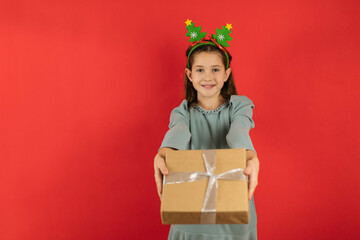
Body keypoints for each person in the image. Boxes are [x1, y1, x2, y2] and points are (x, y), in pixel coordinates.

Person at [154, 21, 260, 240]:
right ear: (190, 75)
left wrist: (251, 158)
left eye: (215, 69)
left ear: (226, 74)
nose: (208, 77)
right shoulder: (182, 112)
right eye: (200, 70)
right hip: (193, 208)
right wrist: (162, 154)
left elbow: (238, 132)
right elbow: (178, 133)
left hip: (234, 206)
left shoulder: (240, 105)